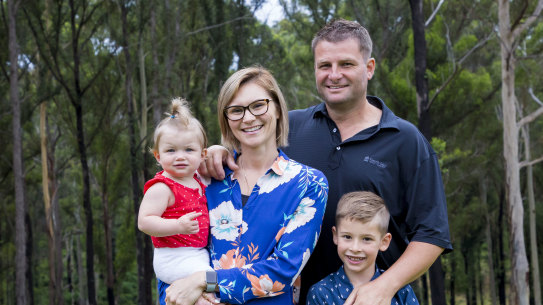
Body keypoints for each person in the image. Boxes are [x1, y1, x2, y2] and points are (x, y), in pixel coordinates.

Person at [202, 19, 452, 305]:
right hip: (288, 296)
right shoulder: (290, 128)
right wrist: (220, 151)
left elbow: (432, 233)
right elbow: (248, 157)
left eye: (346, 64)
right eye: (324, 66)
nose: (334, 75)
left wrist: (383, 287)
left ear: (369, 68)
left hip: (368, 298)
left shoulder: (405, 140)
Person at [163, 66, 329, 305]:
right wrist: (195, 296)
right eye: (236, 110)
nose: (248, 118)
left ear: (278, 109)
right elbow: (170, 251)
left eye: (259, 105)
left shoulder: (309, 184)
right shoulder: (204, 176)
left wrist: (204, 280)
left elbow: (284, 271)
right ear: (226, 119)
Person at [137, 98, 212, 305]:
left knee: (213, 284)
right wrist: (177, 225)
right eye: (171, 151)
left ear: (202, 154)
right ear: (158, 155)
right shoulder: (163, 187)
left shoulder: (199, 179)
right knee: (209, 283)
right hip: (174, 257)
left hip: (196, 254)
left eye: (189, 150)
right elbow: (144, 222)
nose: (180, 156)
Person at [306, 191, 419, 305]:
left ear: (384, 242)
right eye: (347, 237)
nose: (355, 248)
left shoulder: (401, 291)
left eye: (366, 239)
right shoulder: (321, 292)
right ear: (335, 236)